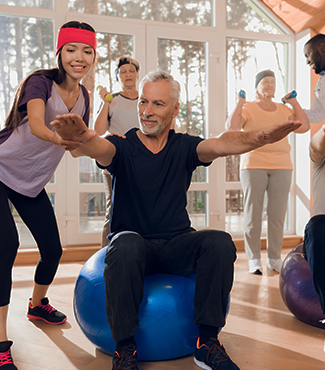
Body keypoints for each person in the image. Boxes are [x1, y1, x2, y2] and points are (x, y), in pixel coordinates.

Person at [51, 70, 302, 370]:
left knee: (219, 243)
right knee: (126, 243)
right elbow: (98, 148)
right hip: (133, 248)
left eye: (157, 104)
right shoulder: (123, 145)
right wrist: (80, 138)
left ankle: (206, 343)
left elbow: (224, 144)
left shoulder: (185, 146)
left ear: (174, 109)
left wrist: (258, 138)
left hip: (175, 244)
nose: (146, 111)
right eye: (143, 102)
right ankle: (125, 348)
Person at [0, 20, 96, 370]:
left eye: (87, 51)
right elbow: (39, 124)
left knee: (53, 250)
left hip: (28, 184)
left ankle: (37, 305)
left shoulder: (84, 97)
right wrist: (59, 138)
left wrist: (105, 147)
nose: (79, 57)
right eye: (71, 49)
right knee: (7, 245)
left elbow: (76, 146)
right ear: (60, 52)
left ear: (94, 56)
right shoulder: (40, 82)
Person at [226, 70, 310, 275]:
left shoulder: (283, 109)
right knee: (253, 214)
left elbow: (304, 126)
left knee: (277, 215)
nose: (270, 84)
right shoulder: (249, 107)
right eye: (265, 81)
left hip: (282, 164)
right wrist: (239, 101)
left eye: (273, 81)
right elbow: (232, 127)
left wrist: (294, 102)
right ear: (257, 86)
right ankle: (254, 258)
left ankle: (274, 258)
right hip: (254, 162)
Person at [94, 56, 140, 247]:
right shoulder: (112, 100)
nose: (128, 74)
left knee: (141, 209)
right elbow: (98, 131)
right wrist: (105, 102)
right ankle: (106, 255)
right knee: (113, 209)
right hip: (116, 162)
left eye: (131, 70)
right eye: (123, 71)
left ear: (137, 74)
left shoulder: (145, 100)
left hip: (142, 161)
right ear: (117, 76)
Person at [302, 33, 325, 316]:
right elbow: (317, 115)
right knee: (316, 228)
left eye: (310, 56)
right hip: (321, 227)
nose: (309, 62)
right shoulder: (321, 83)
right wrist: (293, 114)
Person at [303, 33, 325, 123]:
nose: (307, 61)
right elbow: (317, 115)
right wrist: (289, 111)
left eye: (307, 54)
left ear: (322, 48)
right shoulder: (319, 85)